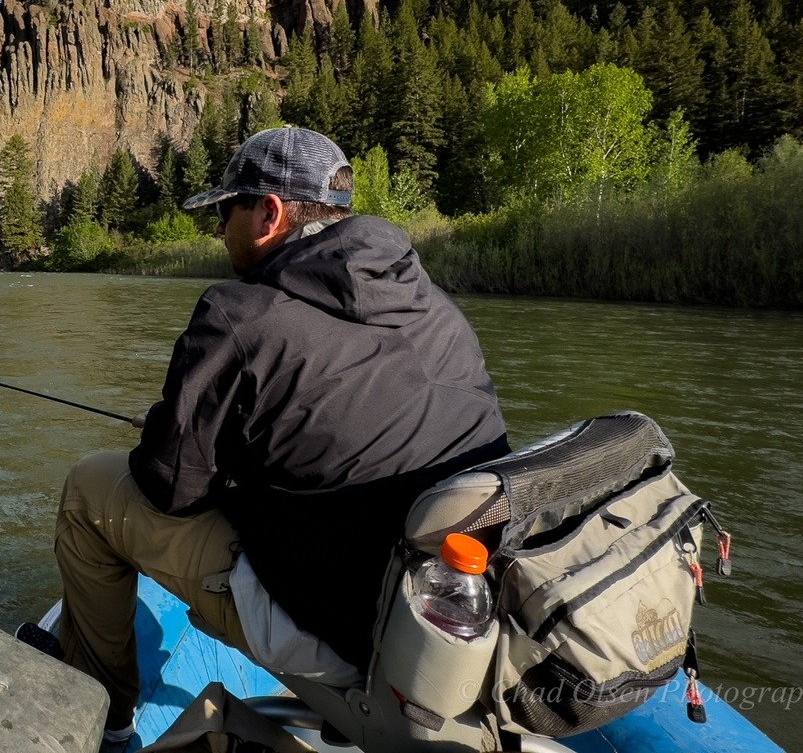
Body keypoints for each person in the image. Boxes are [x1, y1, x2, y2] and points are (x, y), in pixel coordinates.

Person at [34, 127, 509, 743]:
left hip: (349, 635)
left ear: (268, 212)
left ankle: (107, 724)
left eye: (224, 212)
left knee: (89, 492)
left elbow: (167, 489)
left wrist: (172, 436)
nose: (217, 229)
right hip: (451, 620)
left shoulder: (238, 314)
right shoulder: (431, 302)